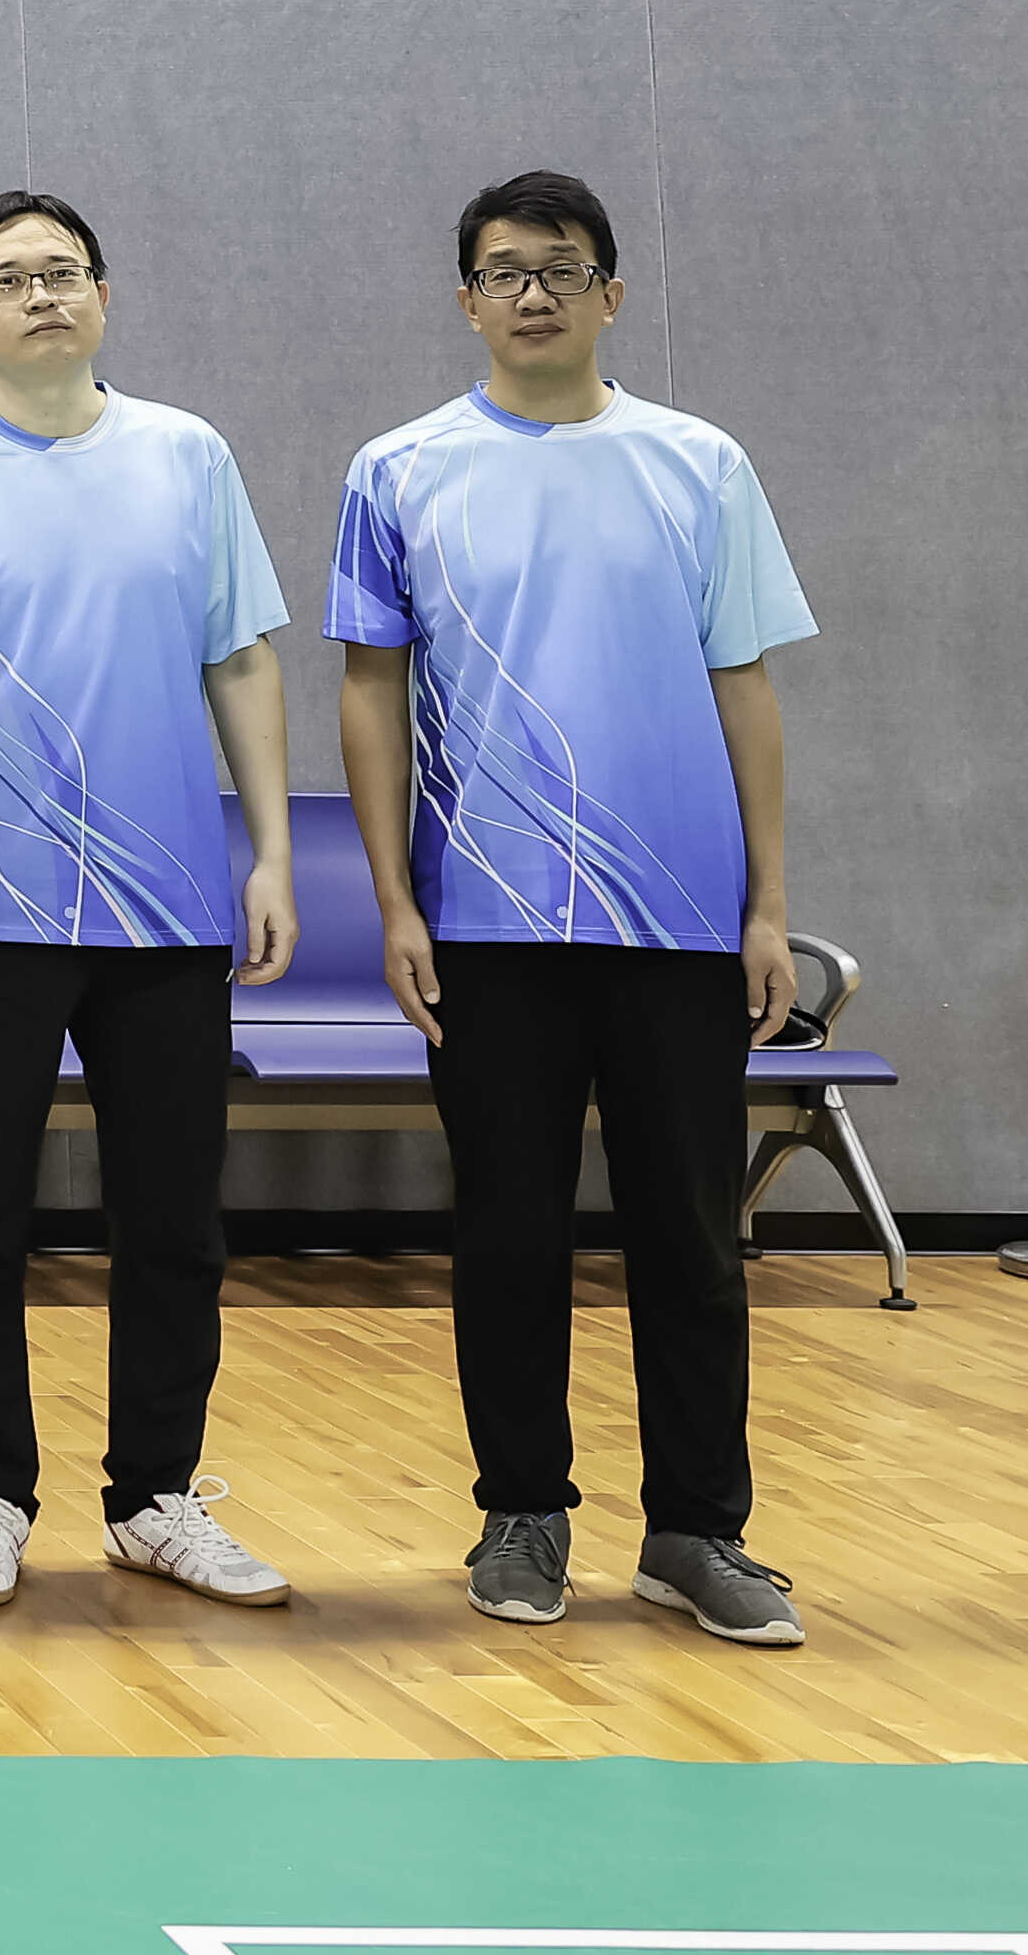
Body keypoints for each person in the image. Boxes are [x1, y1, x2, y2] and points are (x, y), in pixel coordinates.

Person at [331, 168, 817, 1650]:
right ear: (465, 298)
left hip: (678, 921)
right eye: (502, 269)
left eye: (559, 266)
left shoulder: (699, 463)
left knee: (690, 1234)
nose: (530, 291)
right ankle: (521, 1511)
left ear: (610, 292)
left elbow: (744, 684)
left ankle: (697, 1529)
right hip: (485, 920)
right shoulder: (397, 469)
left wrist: (767, 901)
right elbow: (369, 690)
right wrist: (393, 895)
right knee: (507, 1229)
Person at [0, 189, 299, 1617]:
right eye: (5, 279)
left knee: (172, 1217)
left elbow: (239, 656)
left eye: (62, 270)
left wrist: (270, 853)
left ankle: (154, 1495)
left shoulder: (187, 455)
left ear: (102, 293)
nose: (40, 294)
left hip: (166, 908)